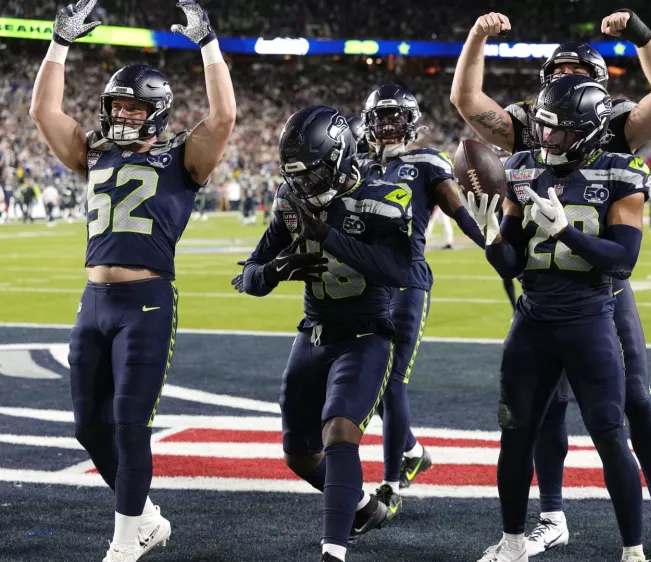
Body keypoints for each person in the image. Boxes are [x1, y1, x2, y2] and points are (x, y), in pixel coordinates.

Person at [451, 10, 651, 560]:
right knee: (544, 409)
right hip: (541, 292)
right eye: (554, 73)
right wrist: (477, 35)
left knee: (631, 401)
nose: (561, 82)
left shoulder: (615, 129)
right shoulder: (531, 132)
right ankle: (551, 516)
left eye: (573, 73)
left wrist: (641, 37)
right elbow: (467, 102)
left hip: (601, 291)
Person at [28, 0, 236, 560]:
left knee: (129, 424)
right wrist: (59, 44)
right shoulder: (94, 152)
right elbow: (43, 113)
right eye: (114, 105)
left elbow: (222, 120)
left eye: (129, 106)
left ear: (156, 112)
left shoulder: (182, 158)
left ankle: (124, 542)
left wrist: (208, 45)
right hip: (93, 300)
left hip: (146, 300)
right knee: (87, 428)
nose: (119, 115)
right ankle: (143, 517)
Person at [467, 74, 651, 562]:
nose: (546, 138)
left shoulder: (621, 171)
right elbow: (510, 264)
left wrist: (566, 232)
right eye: (544, 127)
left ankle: (633, 551)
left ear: (589, 131)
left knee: (610, 433)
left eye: (559, 130)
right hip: (532, 321)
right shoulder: (522, 167)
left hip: (590, 320)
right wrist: (488, 233)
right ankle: (511, 544)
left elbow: (623, 259)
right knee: (515, 433)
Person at [237, 105, 411, 562]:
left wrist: (329, 236)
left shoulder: (385, 195)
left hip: (367, 333)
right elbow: (249, 278)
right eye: (295, 176)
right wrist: (279, 268)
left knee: (339, 432)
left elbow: (401, 271)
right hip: (313, 334)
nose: (303, 185)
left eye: (312, 174)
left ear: (340, 157)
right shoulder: (289, 200)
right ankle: (362, 507)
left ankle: (332, 552)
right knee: (298, 454)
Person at [360, 84, 486, 515]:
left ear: (412, 121)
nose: (389, 124)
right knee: (368, 385)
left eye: (397, 116)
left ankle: (392, 483)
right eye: (382, 116)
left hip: (406, 283)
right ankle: (412, 448)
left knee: (392, 382)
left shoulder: (427, 161)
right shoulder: (355, 163)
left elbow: (458, 211)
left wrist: (491, 242)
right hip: (363, 286)